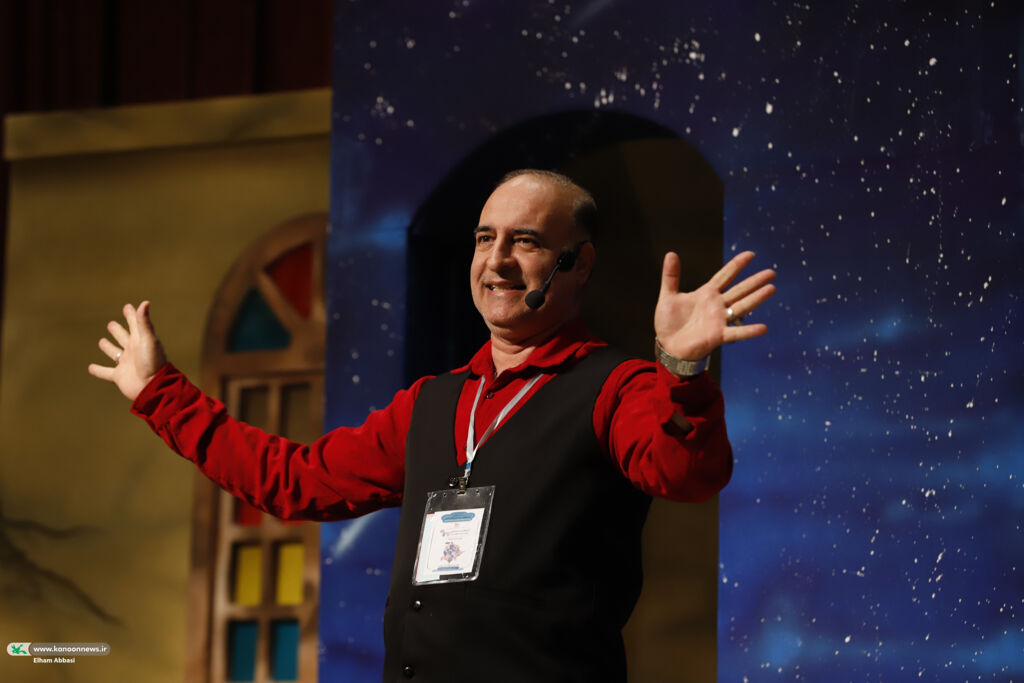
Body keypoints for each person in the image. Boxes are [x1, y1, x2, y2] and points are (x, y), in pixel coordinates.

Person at [89, 169, 776, 682]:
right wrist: (159, 393)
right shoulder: (433, 402)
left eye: (526, 241)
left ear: (578, 264)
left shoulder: (615, 386)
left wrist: (681, 369)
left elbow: (687, 474)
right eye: (484, 239)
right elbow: (294, 481)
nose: (497, 260)